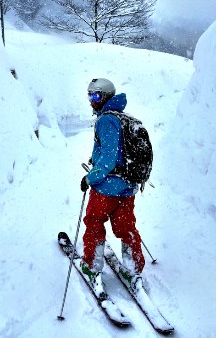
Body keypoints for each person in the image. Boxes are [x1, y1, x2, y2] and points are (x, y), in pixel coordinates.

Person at [80, 78, 145, 289]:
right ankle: (134, 269)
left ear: (106, 96)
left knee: (94, 223)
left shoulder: (106, 120)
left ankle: (91, 265)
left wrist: (90, 177)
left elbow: (108, 159)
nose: (92, 101)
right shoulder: (124, 117)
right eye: (90, 95)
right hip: (127, 187)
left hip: (106, 189)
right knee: (125, 227)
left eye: (96, 96)